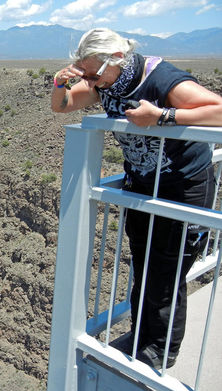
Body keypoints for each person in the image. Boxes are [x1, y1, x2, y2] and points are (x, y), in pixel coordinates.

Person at [51, 27, 222, 369]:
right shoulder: (108, 82)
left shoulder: (161, 79)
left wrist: (161, 117)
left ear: (116, 58)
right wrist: (59, 83)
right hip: (143, 185)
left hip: (182, 186)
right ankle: (143, 337)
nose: (91, 82)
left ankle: (161, 351)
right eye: (84, 74)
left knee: (168, 269)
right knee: (143, 264)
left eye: (93, 73)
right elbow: (64, 106)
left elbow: (218, 109)